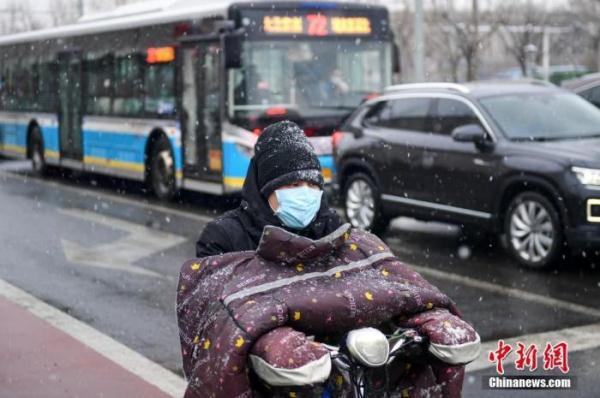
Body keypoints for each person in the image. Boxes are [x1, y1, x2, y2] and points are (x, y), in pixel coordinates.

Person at [195, 120, 342, 257]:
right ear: (265, 189)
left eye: (312, 184)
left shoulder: (334, 231)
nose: (305, 193)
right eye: (294, 184)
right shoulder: (223, 239)